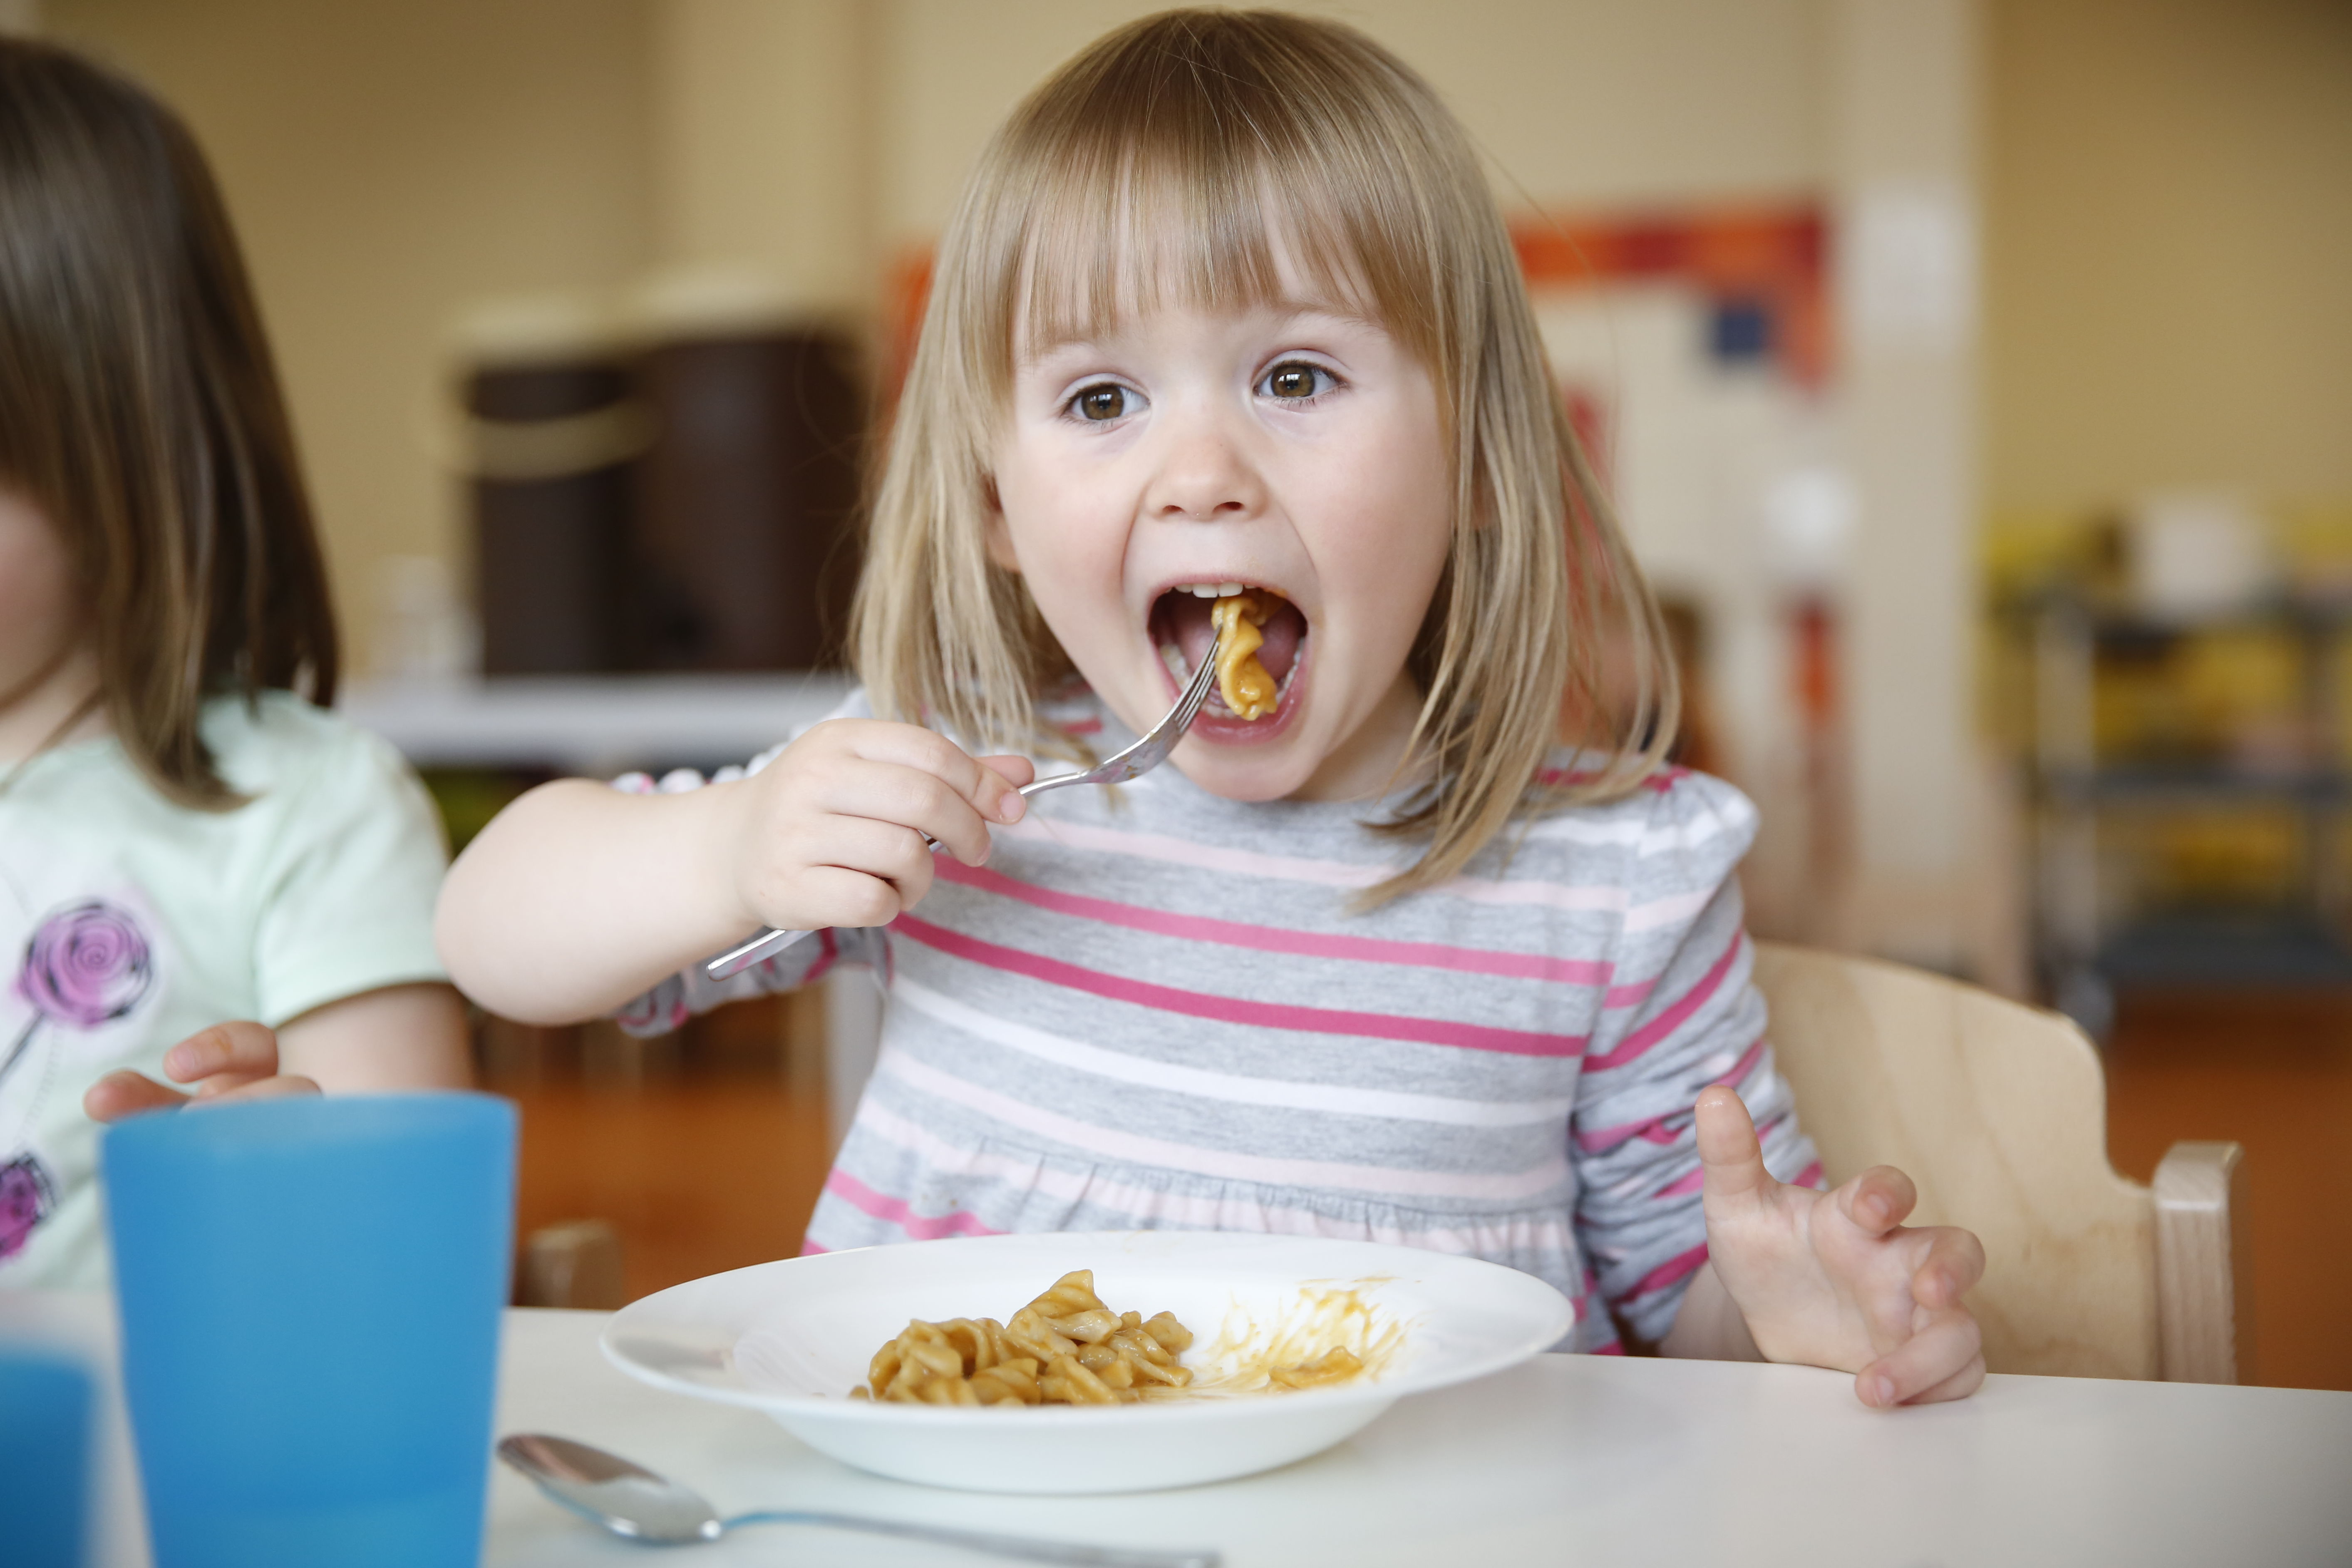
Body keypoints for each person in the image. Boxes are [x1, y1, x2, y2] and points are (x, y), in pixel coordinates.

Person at [440, 10, 1985, 1404]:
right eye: (1101, 400)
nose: (1201, 474)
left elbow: (1688, 1311)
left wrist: (1793, 1311)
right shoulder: (958, 784)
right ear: (993, 498)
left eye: (1297, 376)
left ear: (1478, 459)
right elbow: (493, 940)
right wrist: (729, 850)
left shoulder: (1613, 880)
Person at [0, 39, 471, 1289]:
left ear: (125, 458)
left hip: (138, 1474)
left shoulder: (309, 812)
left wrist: (287, 1197)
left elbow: (412, 1264)